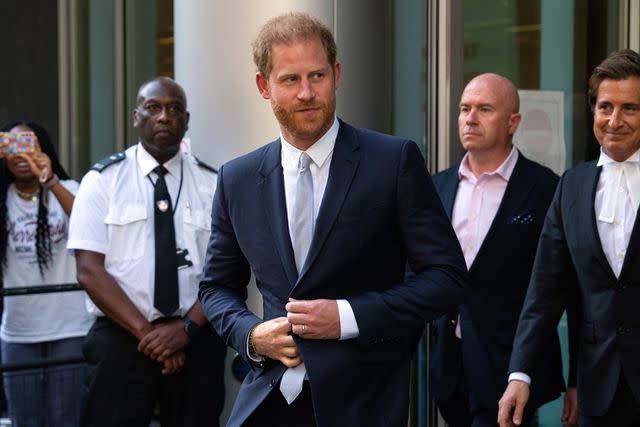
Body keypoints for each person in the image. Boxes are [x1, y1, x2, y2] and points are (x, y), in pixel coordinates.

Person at [198, 12, 468, 427]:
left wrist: (347, 317)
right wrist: (252, 336)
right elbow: (217, 287)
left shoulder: (392, 161)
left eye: (318, 76)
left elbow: (446, 276)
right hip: (267, 401)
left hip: (364, 402)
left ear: (337, 75)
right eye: (290, 79)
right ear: (263, 86)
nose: (308, 92)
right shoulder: (237, 178)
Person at [67, 77, 226, 426]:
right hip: (121, 337)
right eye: (153, 108)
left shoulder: (214, 183)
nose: (164, 117)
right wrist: (149, 336)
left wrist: (184, 330)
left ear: (186, 119)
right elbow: (89, 270)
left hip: (195, 337)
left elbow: (225, 272)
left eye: (174, 109)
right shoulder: (103, 180)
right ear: (136, 117)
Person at [498, 48, 640, 427]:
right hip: (598, 389)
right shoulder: (571, 187)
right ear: (593, 111)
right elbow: (544, 290)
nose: (615, 120)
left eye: (630, 108)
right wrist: (520, 374)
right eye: (605, 106)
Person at [429, 73, 578, 427]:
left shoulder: (545, 188)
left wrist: (577, 379)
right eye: (465, 108)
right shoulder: (438, 186)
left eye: (484, 109)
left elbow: (567, 287)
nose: (470, 118)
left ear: (513, 122)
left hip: (513, 367)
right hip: (450, 368)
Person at [0, 120, 93, 426]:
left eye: (29, 146)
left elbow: (88, 224)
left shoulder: (67, 189)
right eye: (12, 147)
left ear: (44, 149)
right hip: (18, 329)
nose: (20, 154)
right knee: (24, 418)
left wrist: (49, 179)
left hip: (70, 326)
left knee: (66, 417)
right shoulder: (4, 197)